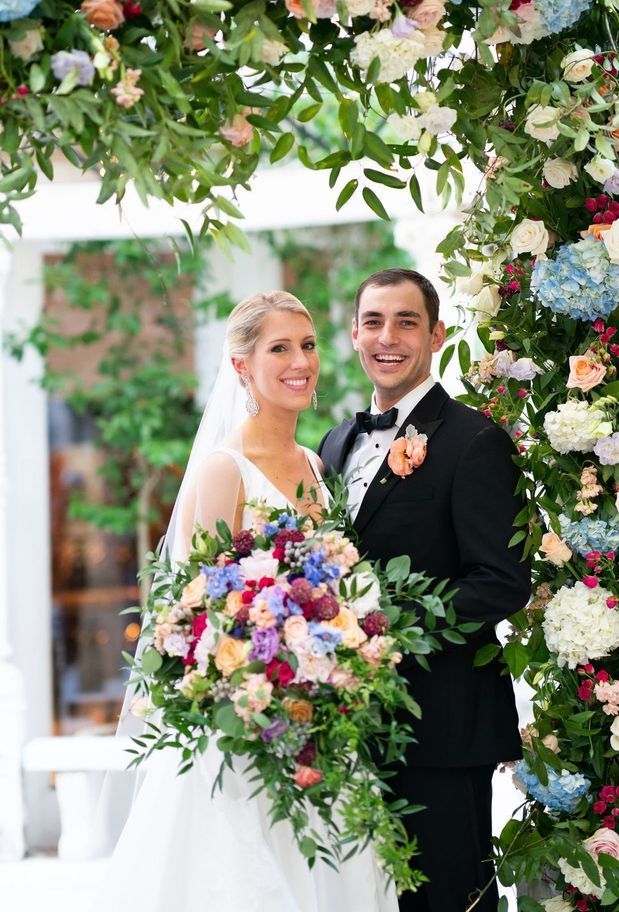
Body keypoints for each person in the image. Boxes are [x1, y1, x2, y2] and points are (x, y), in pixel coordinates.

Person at [98, 291, 398, 912]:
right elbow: (198, 615)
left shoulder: (316, 464)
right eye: (280, 348)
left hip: (324, 722)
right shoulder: (222, 470)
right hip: (251, 732)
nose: (300, 362)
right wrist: (268, 677)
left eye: (308, 345)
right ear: (241, 366)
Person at [319, 269, 532, 912]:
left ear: (436, 334)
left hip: (442, 724)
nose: (389, 337)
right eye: (374, 321)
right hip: (351, 727)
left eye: (407, 322)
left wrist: (377, 620)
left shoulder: (476, 442)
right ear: (355, 334)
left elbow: (502, 583)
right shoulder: (333, 445)